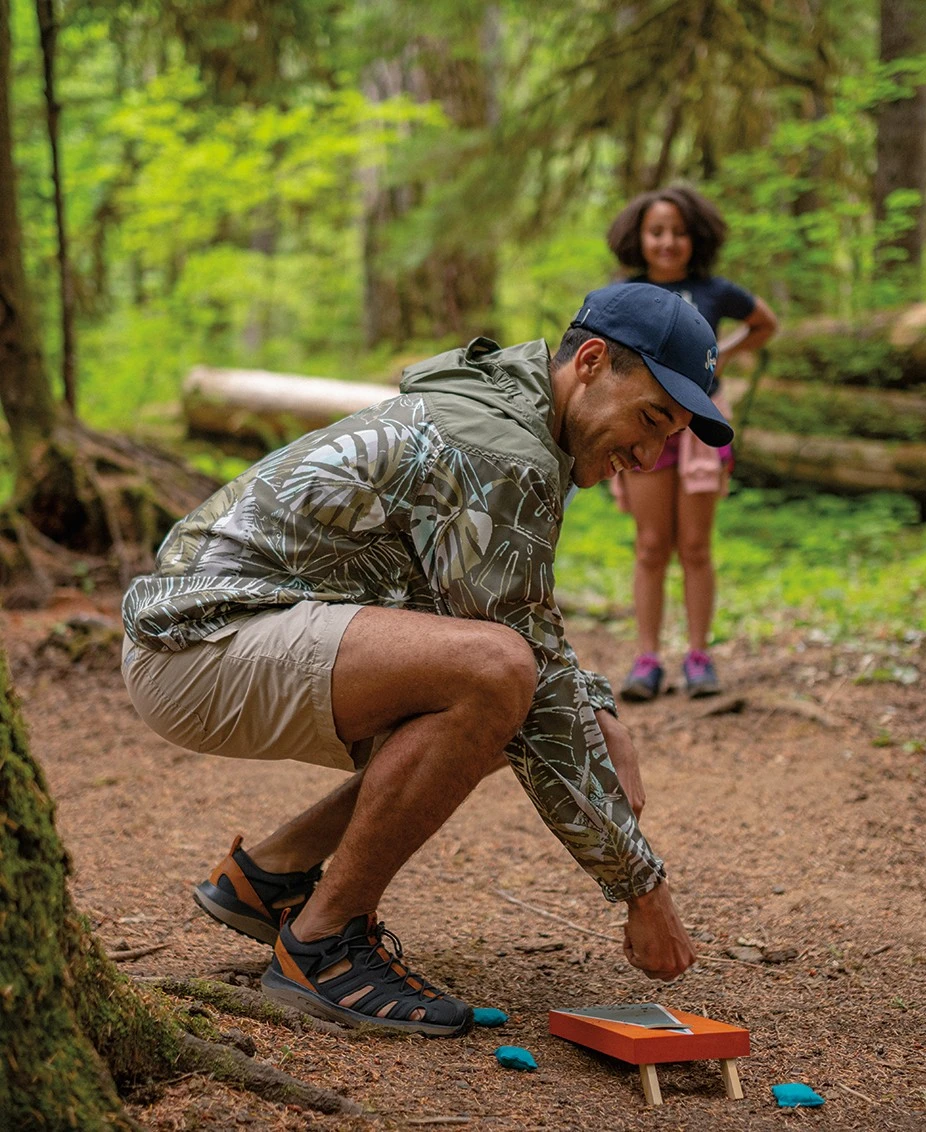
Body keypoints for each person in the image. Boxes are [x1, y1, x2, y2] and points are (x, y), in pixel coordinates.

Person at [120, 282, 733, 1038]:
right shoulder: (502, 450)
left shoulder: (511, 411)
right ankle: (323, 944)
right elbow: (523, 674)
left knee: (501, 687)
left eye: (669, 435)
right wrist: (643, 890)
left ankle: (269, 877)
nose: (649, 455)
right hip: (201, 642)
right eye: (650, 419)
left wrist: (602, 709)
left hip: (214, 630)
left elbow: (523, 622)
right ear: (594, 362)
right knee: (495, 677)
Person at [607, 186, 778, 702]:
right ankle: (647, 659)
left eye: (678, 232)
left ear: (695, 237)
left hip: (701, 431)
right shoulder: (624, 294)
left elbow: (764, 323)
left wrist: (722, 355)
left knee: (696, 548)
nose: (668, 242)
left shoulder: (715, 291)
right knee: (651, 546)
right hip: (644, 431)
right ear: (639, 237)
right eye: (657, 232)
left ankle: (699, 657)